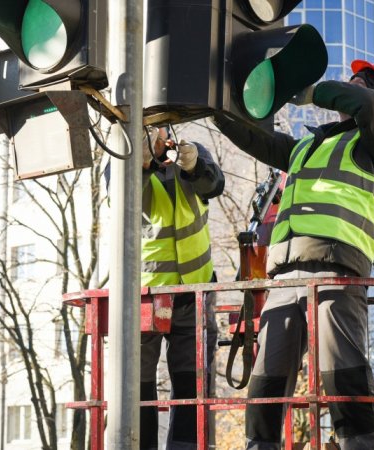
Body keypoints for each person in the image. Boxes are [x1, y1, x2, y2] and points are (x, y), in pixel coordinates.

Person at [213, 59, 374, 450]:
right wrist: (215, 109)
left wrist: (310, 92)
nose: (351, 86)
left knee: (343, 374)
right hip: (285, 277)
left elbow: (369, 106)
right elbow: (255, 138)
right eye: (352, 82)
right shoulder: (305, 147)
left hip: (337, 271)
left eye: (362, 83)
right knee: (266, 379)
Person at [140, 126, 224, 450]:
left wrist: (195, 166)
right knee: (138, 383)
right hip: (145, 295)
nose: (155, 132)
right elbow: (118, 199)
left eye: (159, 126)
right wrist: (141, 166)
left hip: (193, 293)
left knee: (192, 384)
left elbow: (214, 184)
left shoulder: (192, 153)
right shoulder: (123, 159)